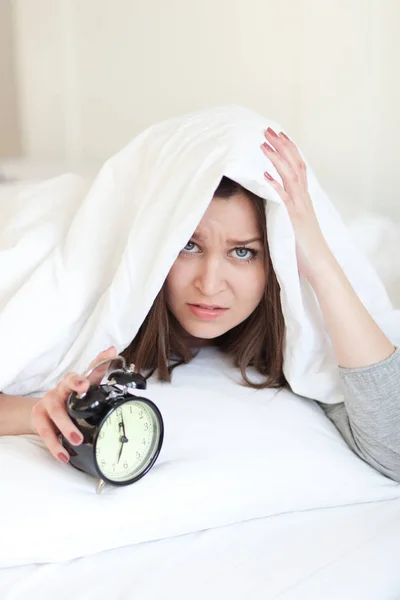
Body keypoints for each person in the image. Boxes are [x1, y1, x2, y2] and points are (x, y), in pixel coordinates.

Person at [1, 128, 399, 482]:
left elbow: (391, 449)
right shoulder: (96, 288)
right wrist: (39, 413)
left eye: (243, 252)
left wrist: (318, 260)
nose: (209, 285)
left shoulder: (295, 319)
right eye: (188, 246)